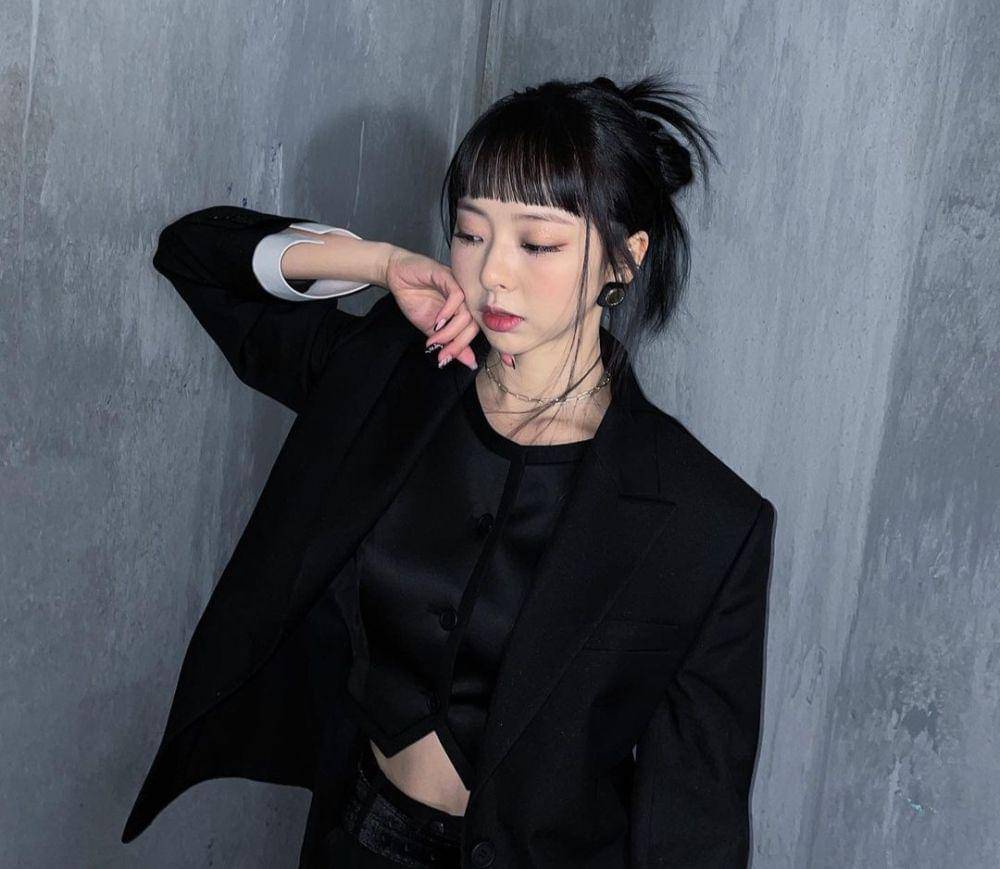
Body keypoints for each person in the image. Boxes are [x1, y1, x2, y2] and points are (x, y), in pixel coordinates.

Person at [121, 73, 776, 868]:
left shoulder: (706, 521)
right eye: (470, 233)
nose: (493, 271)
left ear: (623, 260)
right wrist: (379, 263)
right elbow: (194, 255)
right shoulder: (390, 377)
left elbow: (693, 828)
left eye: (537, 243)